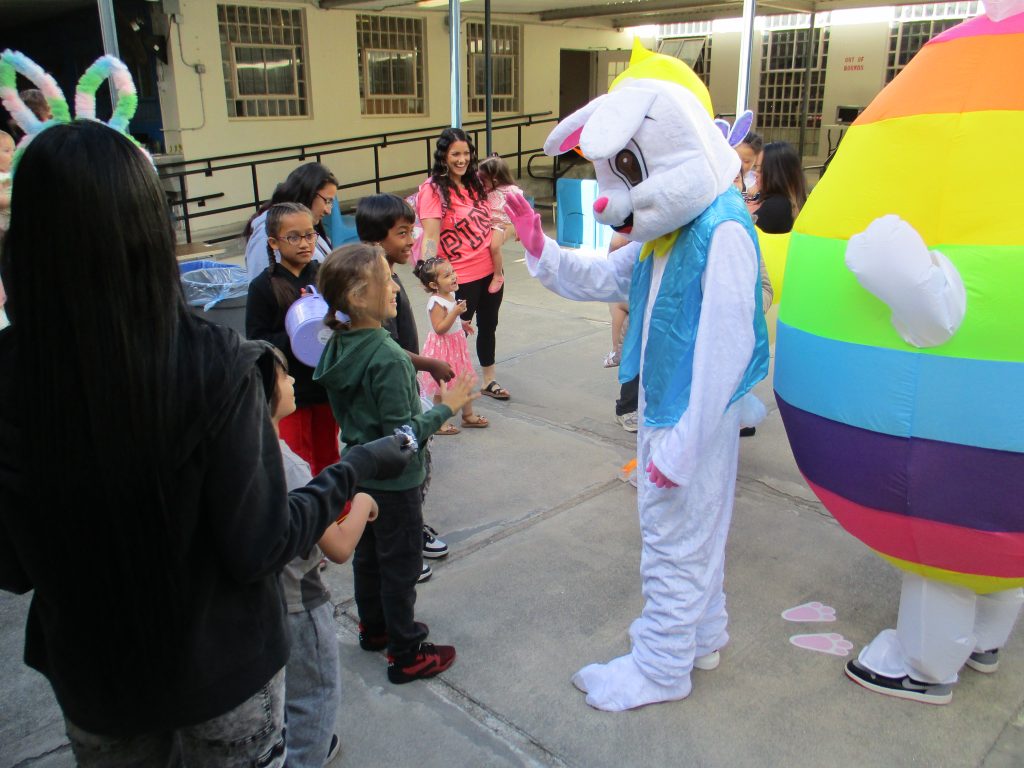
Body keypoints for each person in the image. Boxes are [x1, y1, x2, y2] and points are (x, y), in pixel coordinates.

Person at [0, 119, 412, 765]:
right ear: (150, 233)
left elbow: (14, 565)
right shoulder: (209, 364)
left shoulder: (13, 377)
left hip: (96, 683)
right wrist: (352, 470)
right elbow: (262, 543)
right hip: (221, 678)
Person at [505, 43, 769, 711]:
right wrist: (540, 248)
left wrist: (679, 446)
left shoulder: (723, 232)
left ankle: (660, 667)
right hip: (670, 411)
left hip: (690, 421)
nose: (609, 205)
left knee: (674, 540)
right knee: (694, 534)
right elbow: (605, 277)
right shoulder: (670, 233)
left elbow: (725, 349)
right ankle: (701, 635)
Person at [313, 243, 477, 684]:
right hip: (396, 482)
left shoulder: (339, 341)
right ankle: (407, 653)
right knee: (401, 568)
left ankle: (375, 629)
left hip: (360, 474)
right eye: (386, 281)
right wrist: (448, 407)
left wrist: (424, 360)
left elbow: (383, 349)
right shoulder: (385, 358)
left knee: (369, 560)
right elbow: (402, 438)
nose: (396, 289)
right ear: (357, 297)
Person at [268, 346, 376, 767]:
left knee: (282, 689)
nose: (293, 379)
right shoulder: (288, 466)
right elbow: (339, 546)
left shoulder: (239, 455)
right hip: (301, 600)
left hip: (267, 596)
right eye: (282, 377)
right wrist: (363, 502)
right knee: (315, 694)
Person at [355, 193, 455, 576]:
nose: (412, 237)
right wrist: (429, 362)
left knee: (411, 465)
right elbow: (384, 347)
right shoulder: (372, 283)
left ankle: (405, 532)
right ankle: (403, 543)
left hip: (401, 383)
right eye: (402, 232)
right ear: (376, 239)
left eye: (411, 228)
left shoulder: (387, 275)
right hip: (393, 393)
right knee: (407, 464)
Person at [417, 128, 511, 401]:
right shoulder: (432, 190)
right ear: (443, 156)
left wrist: (503, 234)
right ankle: (444, 390)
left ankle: (489, 380)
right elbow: (431, 237)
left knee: (488, 326)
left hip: (490, 271)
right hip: (460, 277)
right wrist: (428, 270)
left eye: (466, 153)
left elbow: (502, 217)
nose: (462, 159)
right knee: (454, 335)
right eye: (455, 154)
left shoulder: (476, 184)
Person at [246, 202, 339, 475]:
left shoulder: (325, 275)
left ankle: (338, 515)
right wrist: (298, 335)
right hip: (290, 391)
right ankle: (304, 515)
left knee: (329, 455)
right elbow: (257, 340)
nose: (304, 243)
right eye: (294, 237)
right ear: (274, 242)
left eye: (310, 235)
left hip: (325, 384)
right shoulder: (262, 286)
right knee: (298, 458)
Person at [413, 256, 487, 434]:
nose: (453, 276)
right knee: (442, 388)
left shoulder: (450, 294)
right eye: (447, 275)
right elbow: (439, 328)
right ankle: (439, 423)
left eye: (453, 272)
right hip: (443, 349)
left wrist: (461, 323)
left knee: (463, 380)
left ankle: (467, 416)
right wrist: (455, 312)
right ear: (434, 285)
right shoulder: (435, 302)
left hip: (456, 346)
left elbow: (450, 323)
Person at [244, 162, 338, 282]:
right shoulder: (265, 234)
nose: (328, 211)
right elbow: (263, 287)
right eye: (327, 201)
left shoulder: (308, 225)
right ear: (307, 193)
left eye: (331, 202)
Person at [477, 154, 524, 294]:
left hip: (501, 224)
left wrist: (520, 229)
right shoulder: (487, 190)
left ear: (495, 179)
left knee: (494, 245)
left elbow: (522, 211)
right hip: (487, 223)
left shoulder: (512, 191)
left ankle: (498, 275)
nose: (481, 182)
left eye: (483, 179)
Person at [750, 141, 806, 234]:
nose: (755, 173)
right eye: (755, 168)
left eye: (760, 169)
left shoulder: (776, 206)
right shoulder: (792, 200)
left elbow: (744, 234)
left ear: (776, 173)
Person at [734, 131, 763, 205]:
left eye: (746, 161)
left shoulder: (756, 181)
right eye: (736, 158)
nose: (740, 164)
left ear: (756, 160)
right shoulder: (723, 180)